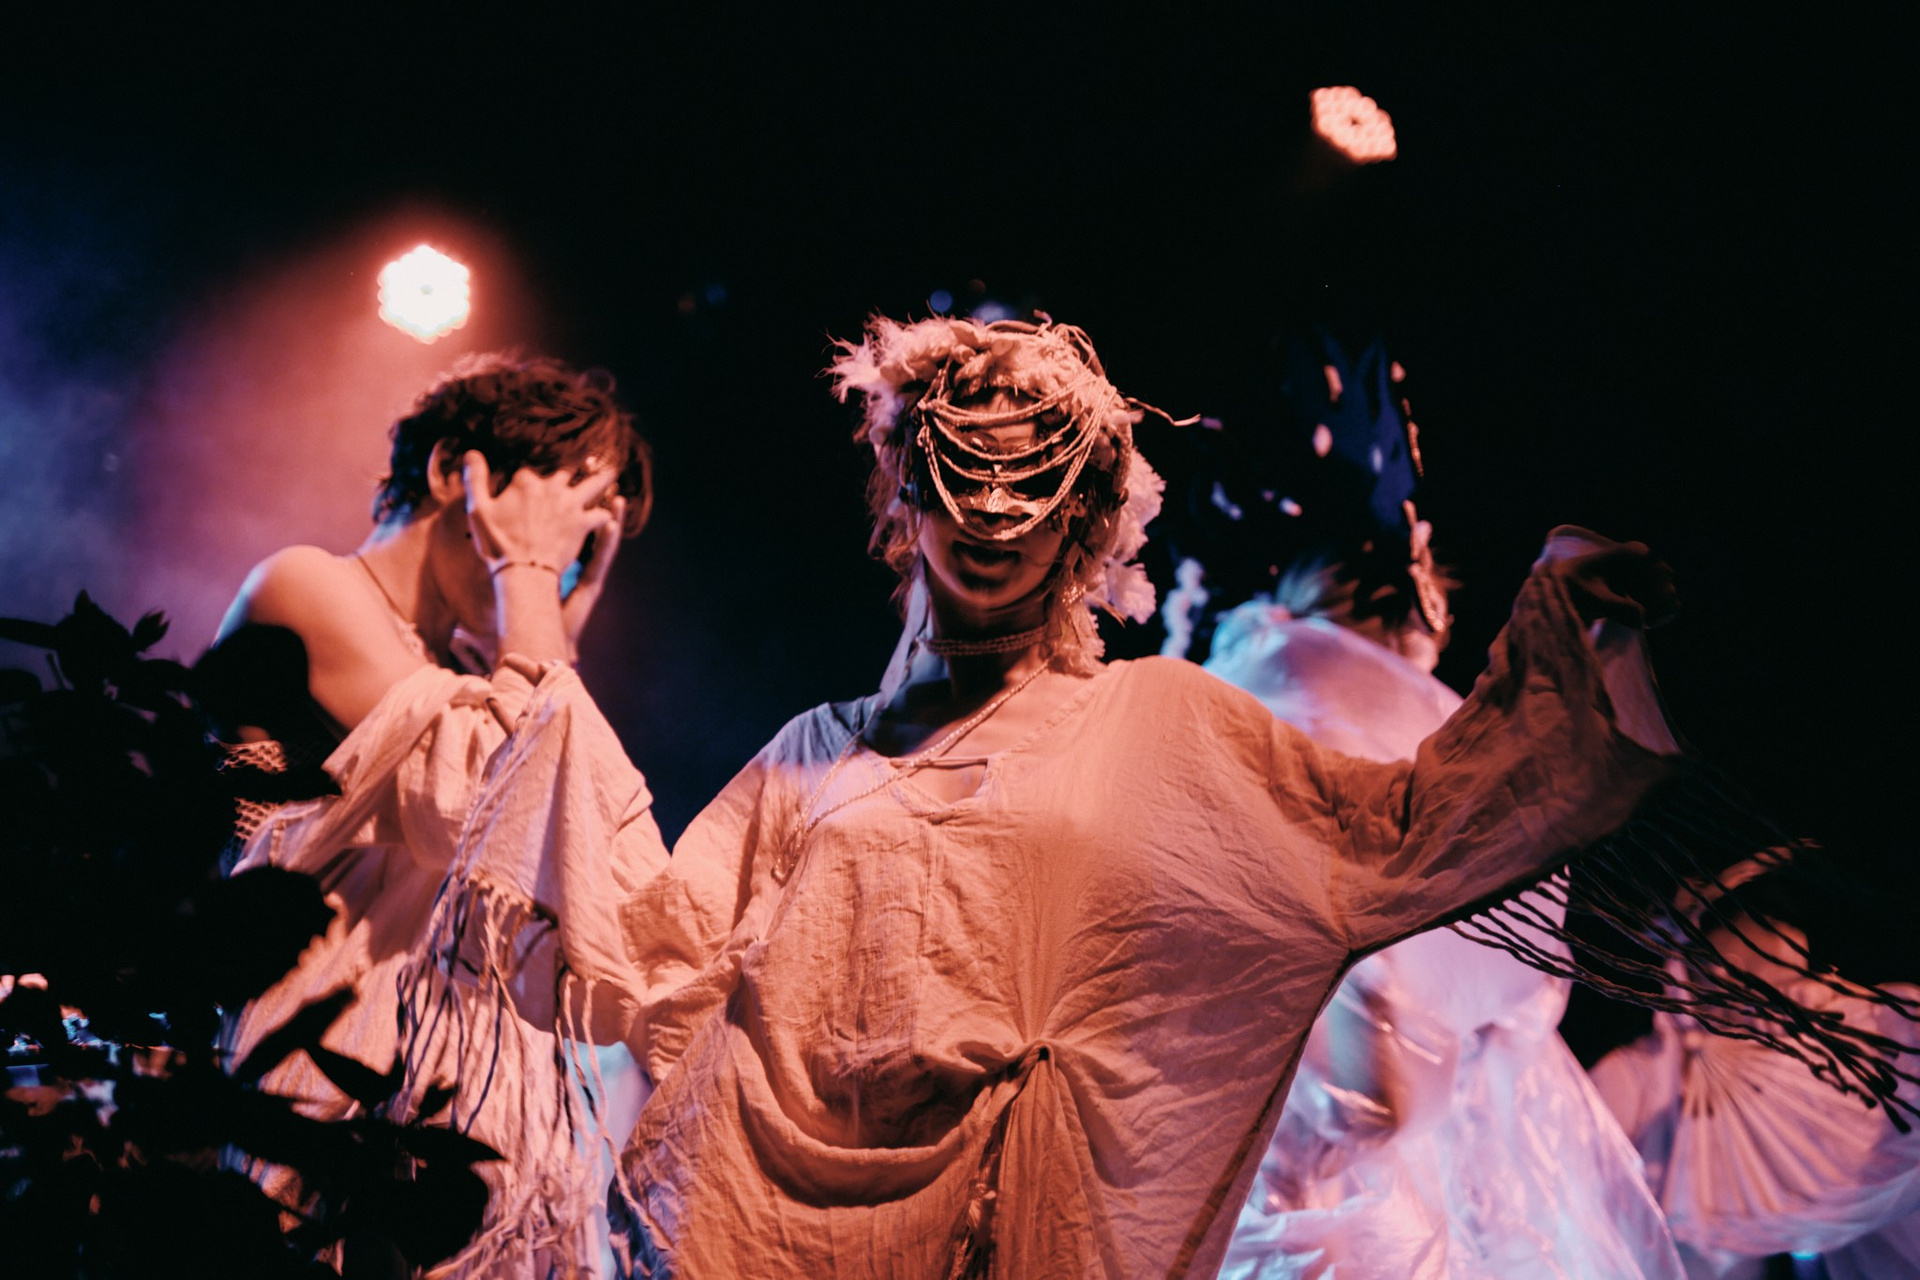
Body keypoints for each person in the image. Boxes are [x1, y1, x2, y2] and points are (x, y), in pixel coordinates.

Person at [407, 314, 1892, 1279]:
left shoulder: (1161, 725)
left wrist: (1562, 632)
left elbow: (1405, 832)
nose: (994, 516)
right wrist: (531, 615)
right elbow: (641, 952)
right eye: (960, 474)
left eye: (1034, 486)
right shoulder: (817, 755)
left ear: (1087, 525)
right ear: (903, 493)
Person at [1163, 327, 1681, 1278]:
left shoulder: (1288, 701)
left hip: (1350, 1170)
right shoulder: (1319, 705)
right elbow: (1381, 1059)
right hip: (1359, 1176)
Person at [207, 351, 651, 1252]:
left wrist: (544, 630)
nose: (565, 564)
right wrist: (525, 578)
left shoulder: (452, 673)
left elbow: (578, 851)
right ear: (456, 472)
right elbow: (497, 801)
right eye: (558, 521)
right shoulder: (306, 584)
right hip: (307, 1113)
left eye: (583, 547)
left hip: (412, 1126)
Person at [1591, 856, 1920, 1279]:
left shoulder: (1817, 1069)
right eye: (1745, 983)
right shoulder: (1639, 1075)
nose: (1772, 1006)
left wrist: (1847, 1012)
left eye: (1791, 980)